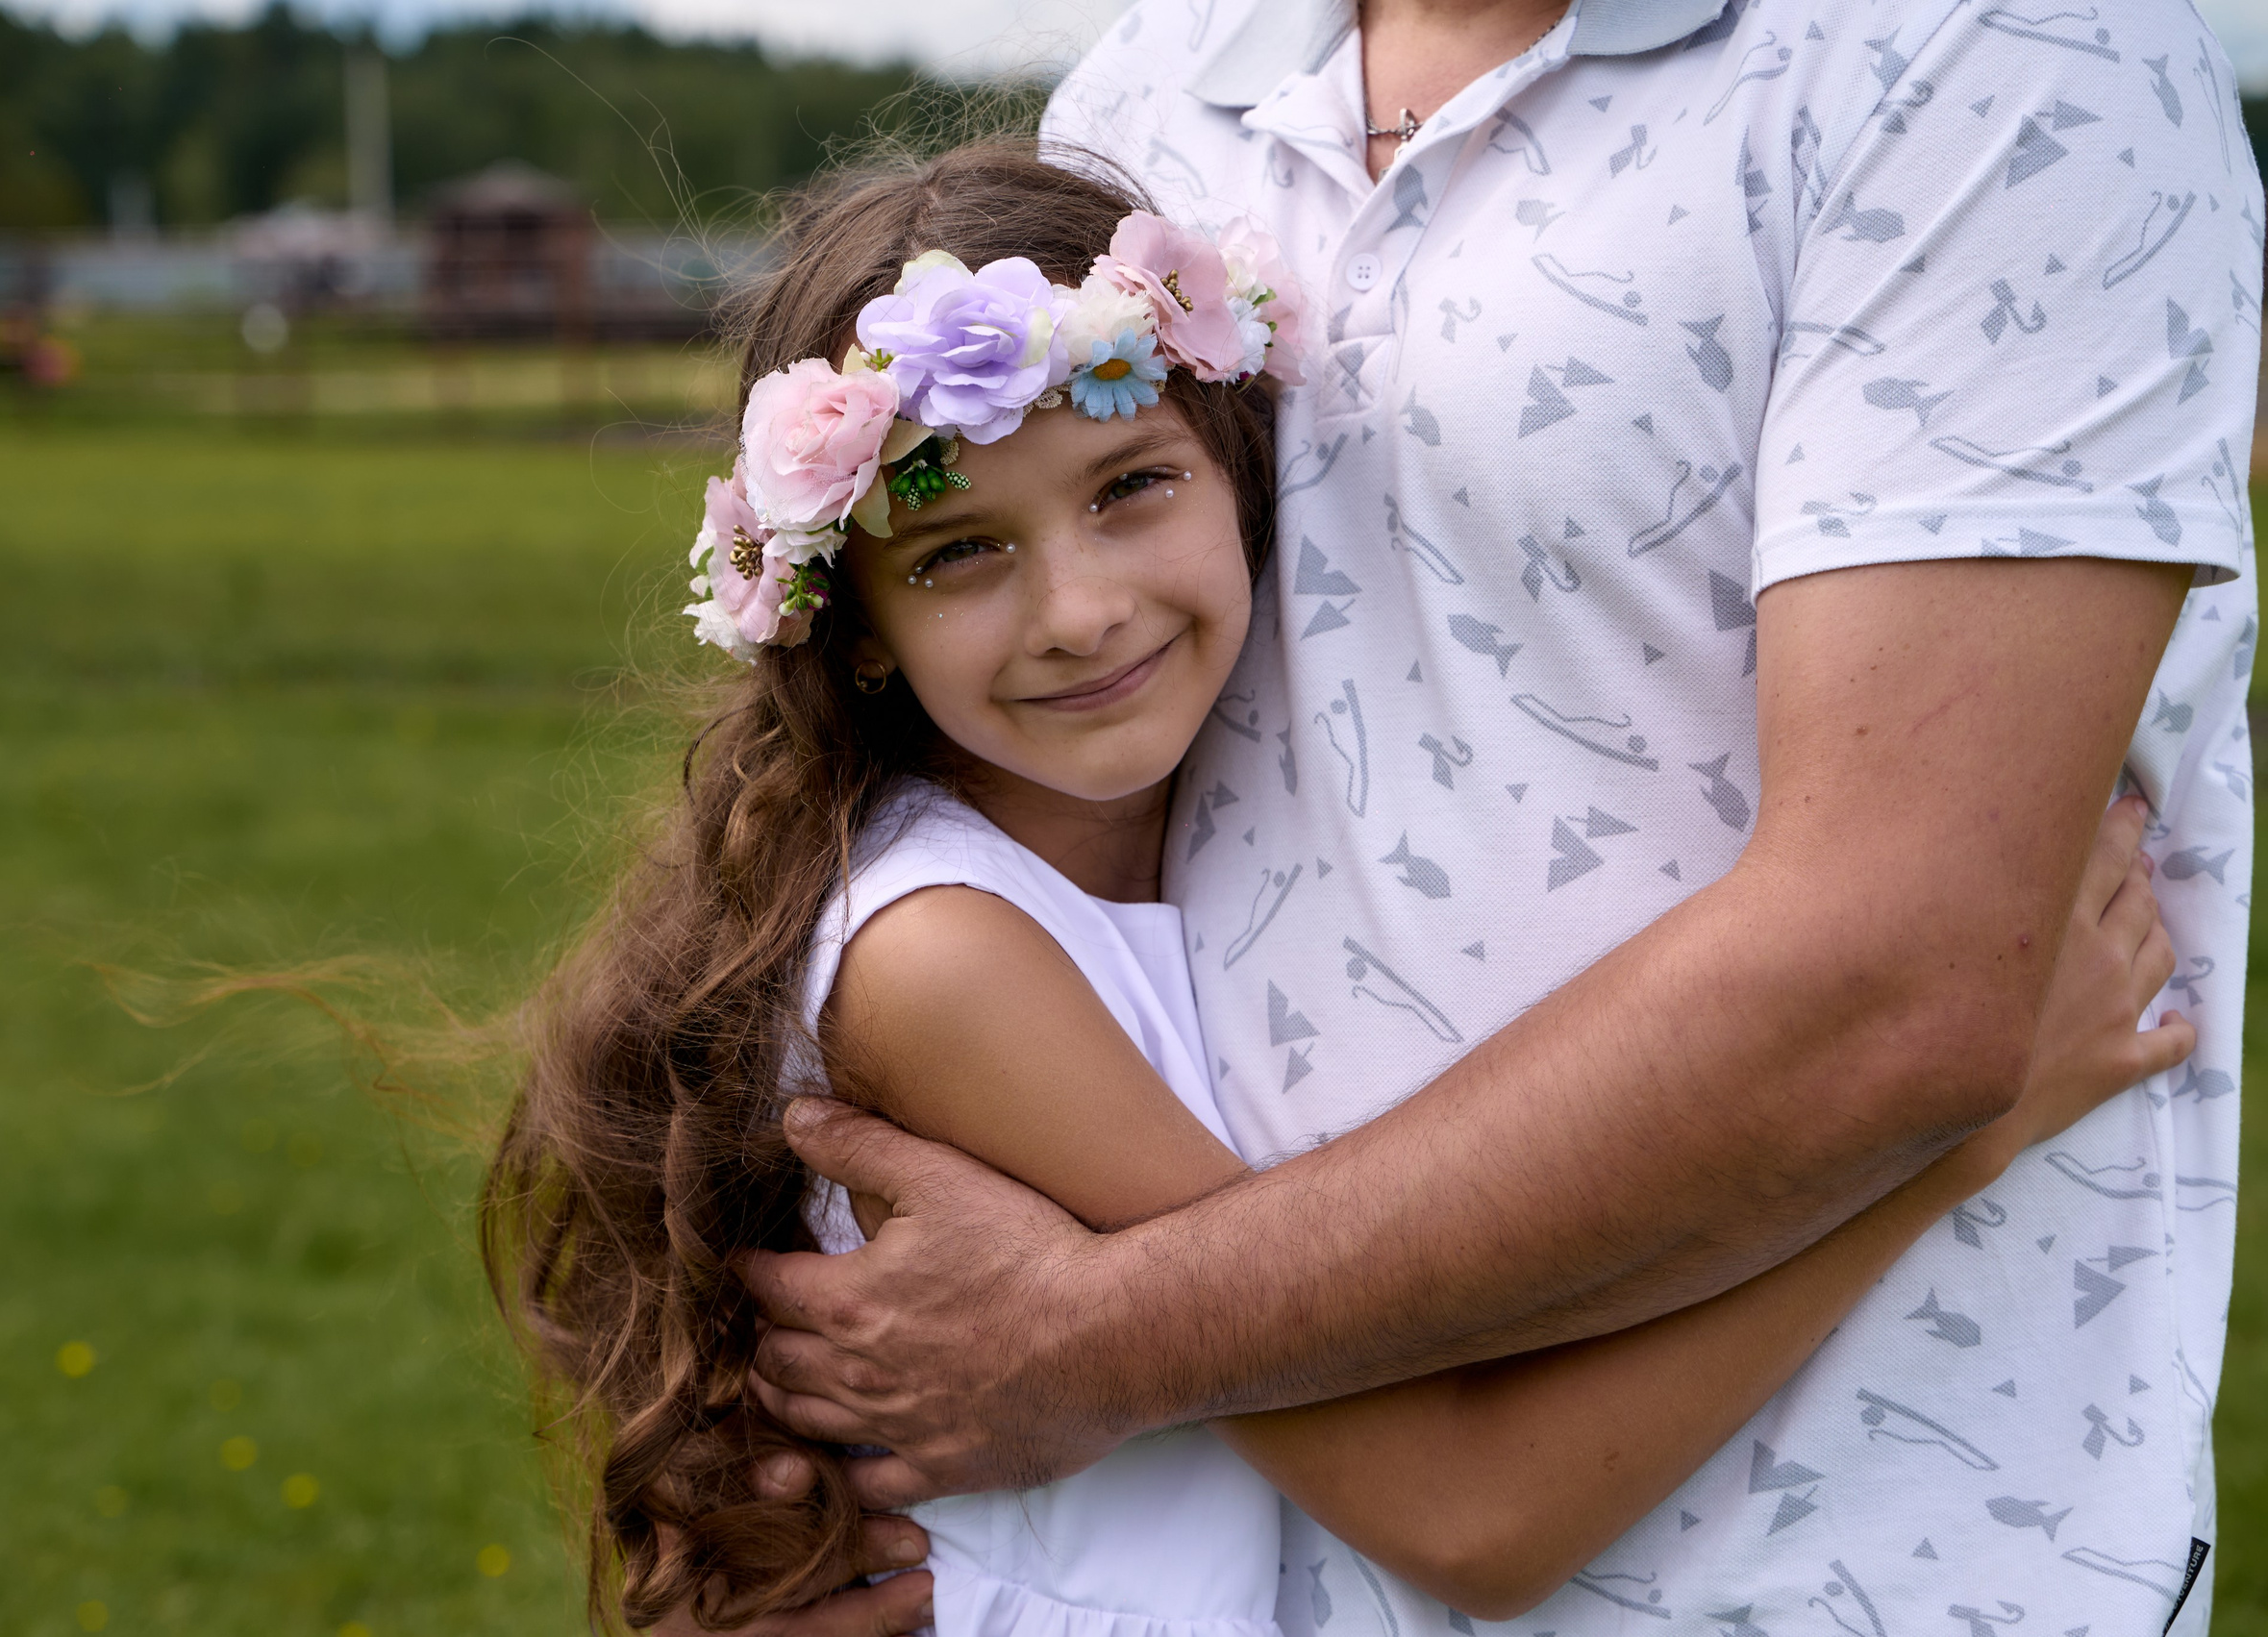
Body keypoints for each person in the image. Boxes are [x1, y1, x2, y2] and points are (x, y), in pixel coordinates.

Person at [479, 145, 2198, 1636]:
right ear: (853, 628)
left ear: (1242, 473)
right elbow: (1476, 1513)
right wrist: (1957, 1135)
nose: (1076, 609)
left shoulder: (1093, 885)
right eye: (959, 551)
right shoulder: (952, 964)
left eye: (1130, 487)